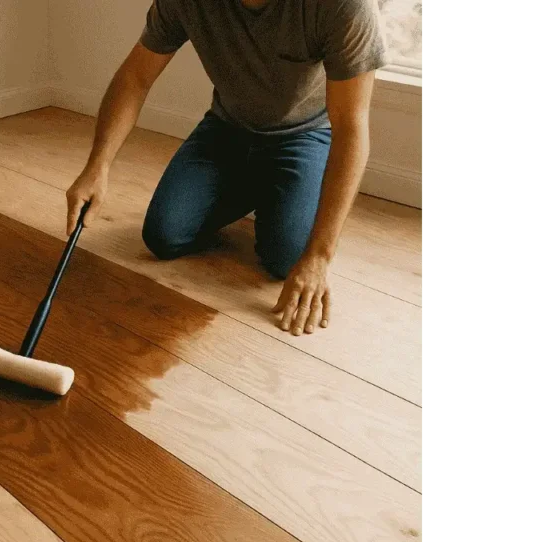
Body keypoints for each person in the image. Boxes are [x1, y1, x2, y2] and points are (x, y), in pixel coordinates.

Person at [63, 0, 387, 336]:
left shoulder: (343, 6)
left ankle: (279, 194)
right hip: (227, 129)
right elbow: (136, 76)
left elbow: (350, 125)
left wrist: (320, 255)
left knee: (286, 257)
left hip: (304, 135)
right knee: (164, 236)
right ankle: (261, 188)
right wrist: (97, 167)